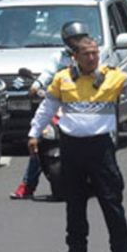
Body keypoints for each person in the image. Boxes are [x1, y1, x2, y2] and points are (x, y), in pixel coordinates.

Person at [28, 36, 127, 252]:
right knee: (74, 201)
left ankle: (122, 248)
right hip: (71, 148)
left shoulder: (111, 76)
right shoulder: (63, 79)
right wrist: (34, 134)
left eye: (94, 53)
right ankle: (76, 249)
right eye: (86, 54)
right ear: (75, 57)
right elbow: (47, 107)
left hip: (100, 148)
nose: (91, 58)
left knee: (111, 199)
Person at [10, 21, 90, 200]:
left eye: (81, 38)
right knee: (38, 140)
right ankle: (28, 184)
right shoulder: (58, 57)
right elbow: (47, 73)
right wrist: (37, 85)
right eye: (74, 39)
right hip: (58, 105)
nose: (78, 42)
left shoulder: (88, 56)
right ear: (67, 41)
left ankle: (100, 180)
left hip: (80, 106)